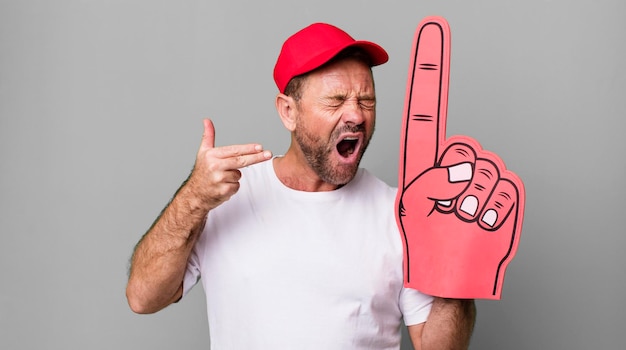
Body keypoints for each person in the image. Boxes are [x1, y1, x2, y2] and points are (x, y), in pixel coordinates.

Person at [126, 22, 475, 349]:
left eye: (366, 100)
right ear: (288, 112)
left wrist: (454, 267)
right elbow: (143, 297)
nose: (356, 115)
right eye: (336, 100)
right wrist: (194, 199)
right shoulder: (226, 198)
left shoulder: (399, 214)